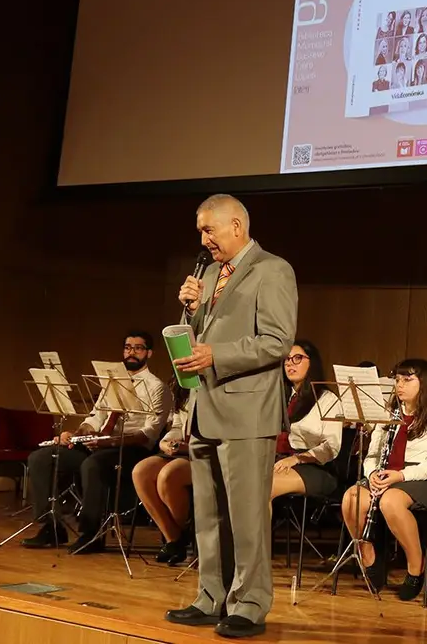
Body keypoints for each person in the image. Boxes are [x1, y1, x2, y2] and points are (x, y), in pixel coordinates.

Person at [164, 194, 298, 639]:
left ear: (236, 225)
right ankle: (211, 597)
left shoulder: (272, 270)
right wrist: (189, 310)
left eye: (209, 230)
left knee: (245, 516)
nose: (204, 239)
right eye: (201, 231)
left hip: (247, 410)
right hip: (205, 407)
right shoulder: (207, 272)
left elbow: (277, 342)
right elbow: (204, 330)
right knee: (208, 514)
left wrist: (214, 355)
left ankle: (251, 603)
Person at [21, 331, 168, 552]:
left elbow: (149, 433)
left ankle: (92, 533)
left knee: (92, 464)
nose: (132, 352)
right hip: (99, 444)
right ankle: (52, 527)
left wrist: (107, 442)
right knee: (42, 458)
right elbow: (95, 417)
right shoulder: (110, 383)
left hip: (131, 450)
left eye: (138, 348)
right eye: (128, 347)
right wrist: (79, 432)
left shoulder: (157, 387)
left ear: (149, 353)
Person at [340, 359, 427, 601]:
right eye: (397, 380)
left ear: (424, 383)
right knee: (352, 498)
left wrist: (400, 476)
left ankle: (416, 567)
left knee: (390, 501)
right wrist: (371, 474)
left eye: (407, 379)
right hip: (387, 475)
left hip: (425, 478)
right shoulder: (387, 415)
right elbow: (372, 454)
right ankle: (369, 558)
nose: (400, 385)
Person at [270, 340, 343, 507]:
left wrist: (297, 459)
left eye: (297, 358)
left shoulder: (327, 399)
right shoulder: (281, 397)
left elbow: (332, 446)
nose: (290, 364)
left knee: (263, 487)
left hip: (314, 466)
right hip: (279, 461)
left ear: (312, 363)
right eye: (287, 359)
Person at [130, 377, 193, 565]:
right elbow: (178, 426)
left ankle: (189, 537)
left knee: (168, 476)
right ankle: (174, 537)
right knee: (141, 472)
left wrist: (187, 448)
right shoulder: (185, 388)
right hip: (182, 448)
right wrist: (167, 442)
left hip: (204, 452)